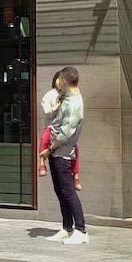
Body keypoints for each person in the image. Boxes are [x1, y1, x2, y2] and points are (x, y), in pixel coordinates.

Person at [41, 66, 88, 245]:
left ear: (65, 81)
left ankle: (81, 229)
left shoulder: (73, 103)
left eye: (59, 79)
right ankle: (67, 227)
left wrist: (50, 149)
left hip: (62, 151)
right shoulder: (68, 98)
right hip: (57, 151)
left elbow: (67, 131)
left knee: (68, 191)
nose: (57, 82)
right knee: (60, 190)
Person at [39, 71, 82, 190]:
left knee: (75, 150)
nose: (60, 83)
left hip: (63, 132)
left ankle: (76, 176)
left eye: (61, 80)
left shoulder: (68, 96)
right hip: (51, 126)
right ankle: (42, 164)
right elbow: (47, 113)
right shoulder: (49, 95)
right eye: (58, 80)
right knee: (44, 139)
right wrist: (57, 107)